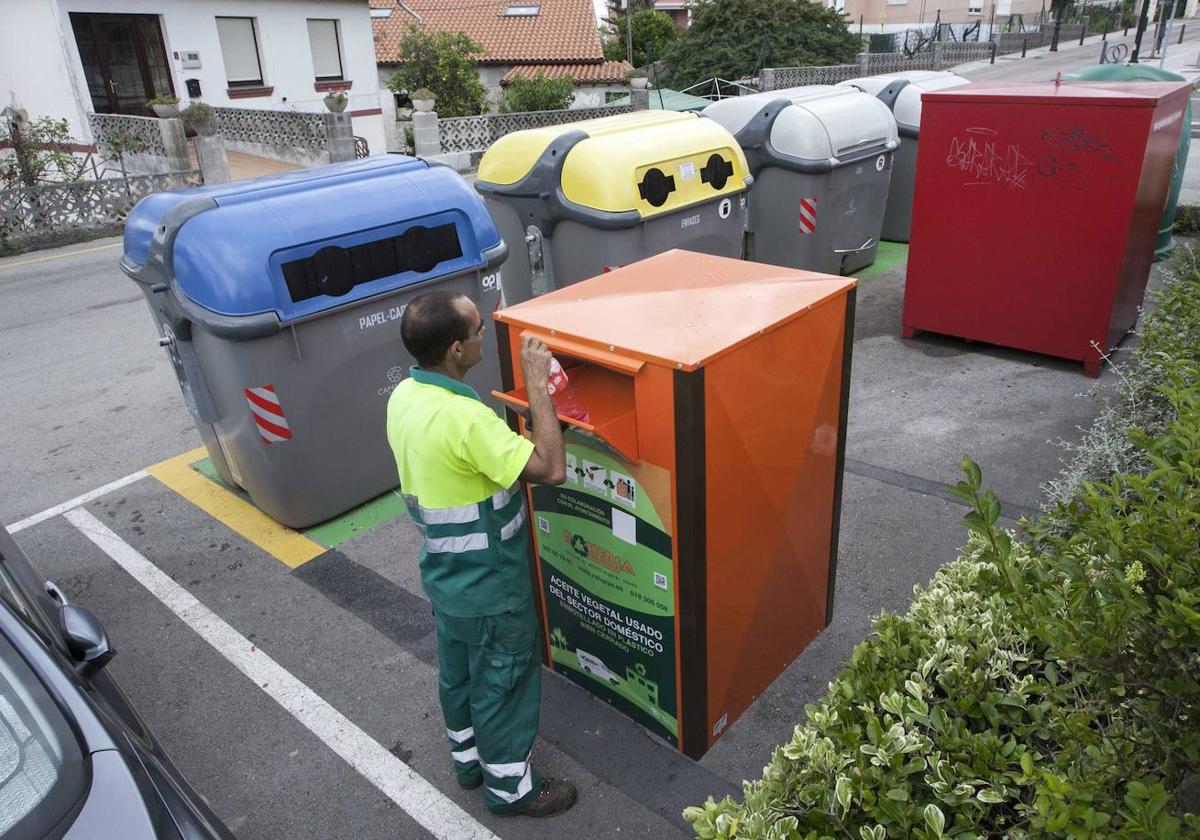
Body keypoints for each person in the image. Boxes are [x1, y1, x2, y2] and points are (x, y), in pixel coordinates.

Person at [385, 289, 575, 818]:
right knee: (504, 684)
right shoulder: (467, 421)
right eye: (474, 333)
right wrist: (539, 386)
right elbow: (549, 468)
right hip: (493, 588)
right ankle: (511, 789)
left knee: (461, 675)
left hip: (447, 581)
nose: (481, 339)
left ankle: (468, 762)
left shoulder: (405, 397)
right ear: (454, 350)